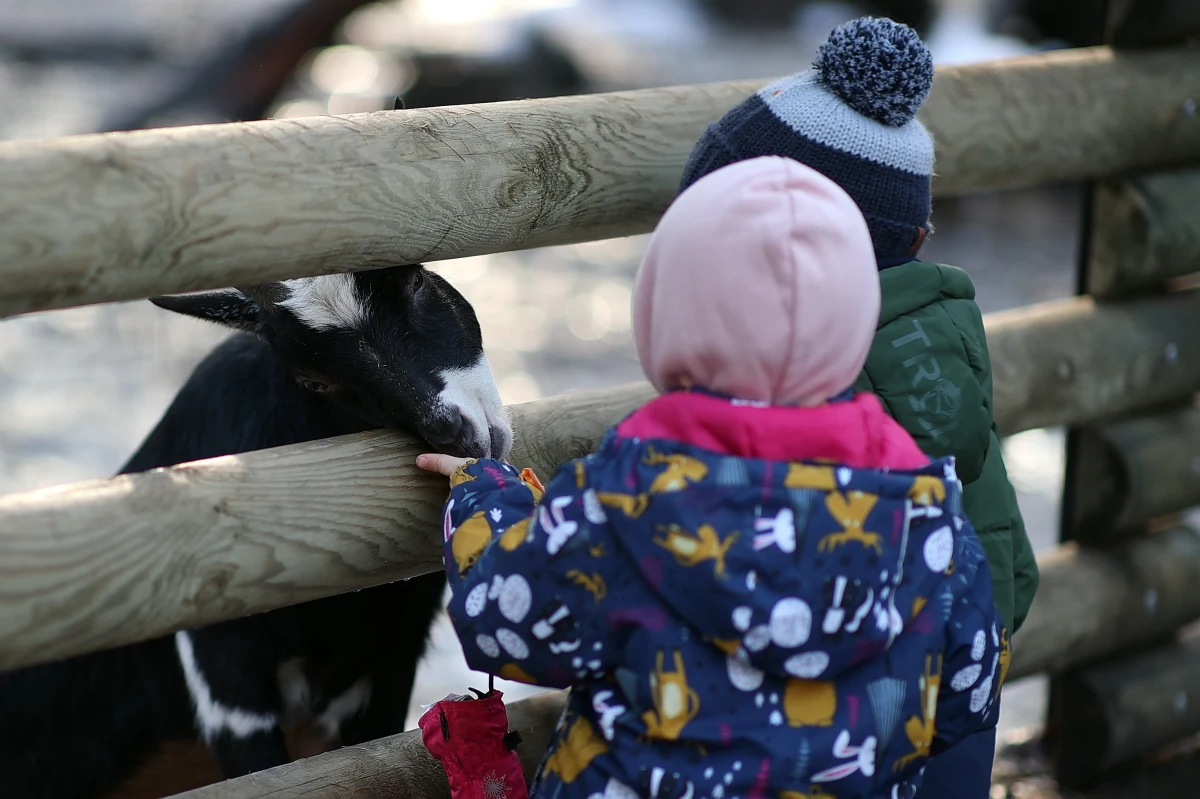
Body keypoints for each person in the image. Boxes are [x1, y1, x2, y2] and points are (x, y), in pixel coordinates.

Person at [417, 156, 1005, 799]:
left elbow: (506, 627)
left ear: (664, 319)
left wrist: (488, 499)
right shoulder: (926, 512)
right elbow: (966, 698)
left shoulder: (626, 499)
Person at [676, 17, 1040, 795]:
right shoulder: (937, 331)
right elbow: (1004, 558)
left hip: (860, 727)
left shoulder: (814, 378)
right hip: (963, 691)